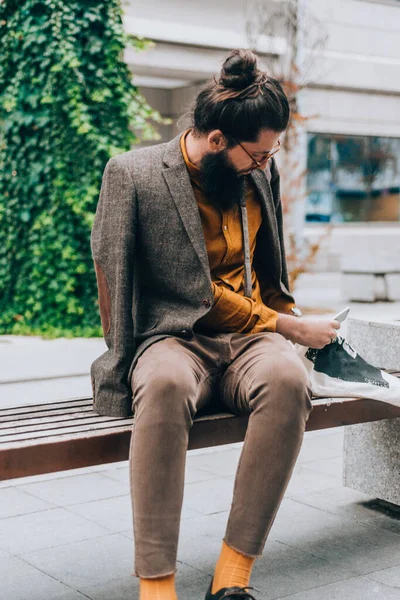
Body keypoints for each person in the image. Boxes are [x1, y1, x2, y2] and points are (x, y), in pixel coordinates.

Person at [90, 49, 340, 600]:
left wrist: (293, 325)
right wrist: (117, 364)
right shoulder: (132, 174)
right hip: (172, 336)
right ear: (218, 140)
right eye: (258, 154)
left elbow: (269, 270)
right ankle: (156, 585)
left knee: (288, 381)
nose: (265, 165)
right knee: (165, 384)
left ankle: (233, 576)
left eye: (271, 154)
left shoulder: (256, 172)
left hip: (248, 338)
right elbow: (115, 277)